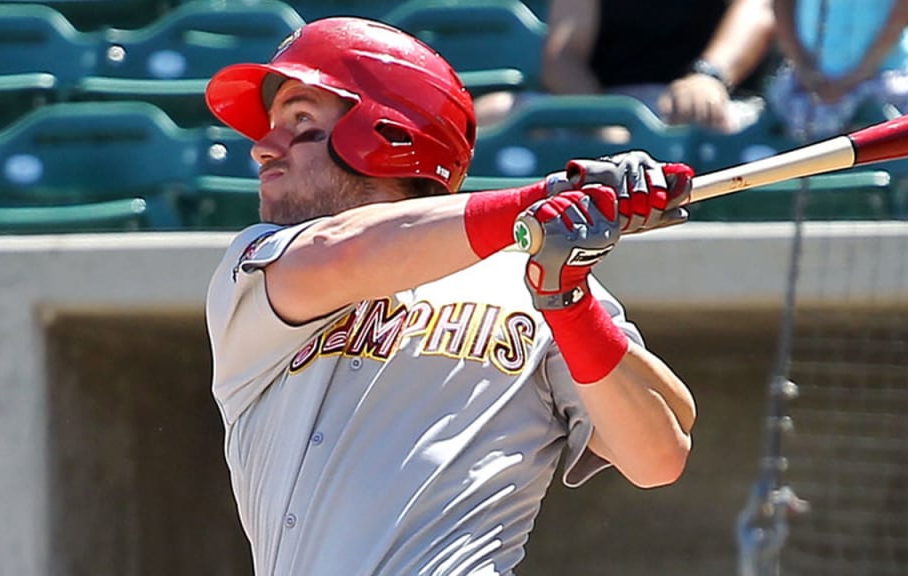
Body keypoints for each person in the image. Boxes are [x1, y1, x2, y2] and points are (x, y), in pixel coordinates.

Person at [204, 17, 697, 576]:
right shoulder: (261, 265)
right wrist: (545, 199)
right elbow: (349, 252)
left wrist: (567, 301)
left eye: (300, 120)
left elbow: (658, 455)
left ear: (386, 132)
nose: (264, 148)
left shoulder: (532, 271)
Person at [476, 0, 777, 133]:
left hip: (705, 107)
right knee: (490, 115)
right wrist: (604, 120)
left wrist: (708, 77)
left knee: (727, 125)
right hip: (605, 103)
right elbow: (563, 59)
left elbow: (757, 11)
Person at [767, 0, 908, 140]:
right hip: (808, 84)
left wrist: (855, 77)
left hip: (885, 82)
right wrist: (803, 66)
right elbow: (782, 6)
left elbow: (907, 8)